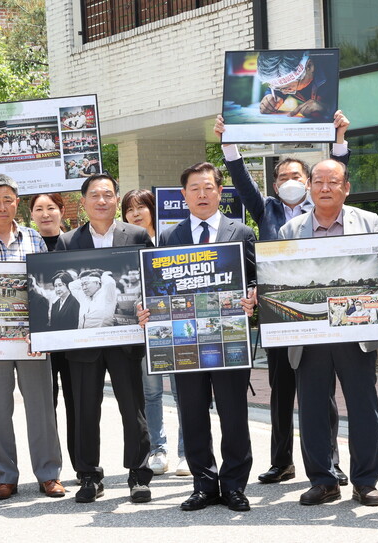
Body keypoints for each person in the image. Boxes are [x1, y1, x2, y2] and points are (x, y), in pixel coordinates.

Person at [216, 111, 352, 486]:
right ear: (274, 185)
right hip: (278, 312)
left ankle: (330, 460)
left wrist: (339, 137)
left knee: (322, 391)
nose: (290, 181)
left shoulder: (324, 208)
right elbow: (241, 180)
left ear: (310, 183)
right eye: (283, 177)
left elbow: (336, 172)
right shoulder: (267, 210)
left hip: (320, 312)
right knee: (281, 391)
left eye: (297, 176)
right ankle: (282, 461)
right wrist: (229, 141)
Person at [278, 159, 378, 507]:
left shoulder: (368, 222)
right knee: (311, 409)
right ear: (309, 187)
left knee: (363, 407)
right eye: (319, 181)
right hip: (310, 335)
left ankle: (365, 481)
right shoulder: (290, 230)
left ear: (346, 187)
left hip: (356, 329)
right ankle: (323, 480)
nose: (325, 188)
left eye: (333, 181)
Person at [156, 162, 257, 512]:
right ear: (183, 195)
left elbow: (255, 279)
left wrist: (252, 297)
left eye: (208, 187)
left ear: (220, 192)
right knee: (193, 414)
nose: (202, 194)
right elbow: (159, 287)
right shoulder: (169, 237)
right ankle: (204, 484)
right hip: (184, 342)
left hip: (228, 341)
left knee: (234, 415)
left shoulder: (241, 232)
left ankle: (233, 485)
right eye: (194, 188)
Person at [0, 173, 64, 501]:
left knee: (41, 407)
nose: (2, 206)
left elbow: (46, 288)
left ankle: (49, 474)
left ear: (16, 202)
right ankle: (5, 476)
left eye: (8, 199)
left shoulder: (35, 239)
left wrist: (44, 331)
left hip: (32, 340)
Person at [55, 173, 153, 504]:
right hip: (83, 344)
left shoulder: (137, 235)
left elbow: (151, 282)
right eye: (94, 195)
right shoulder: (68, 241)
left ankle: (139, 474)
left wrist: (147, 309)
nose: (102, 201)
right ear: (83, 203)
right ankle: (89, 476)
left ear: (116, 200)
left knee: (133, 408)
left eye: (108, 195)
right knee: (84, 410)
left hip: (125, 339)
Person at [121, 188, 187, 477]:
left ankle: (188, 452)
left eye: (141, 207)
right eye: (129, 208)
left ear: (152, 209)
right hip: (144, 329)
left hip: (175, 326)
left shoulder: (170, 239)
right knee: (151, 393)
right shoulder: (122, 245)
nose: (135, 213)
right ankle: (158, 449)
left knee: (184, 392)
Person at [31, 193, 78, 475]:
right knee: (45, 407)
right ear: (32, 214)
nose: (45, 214)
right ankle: (50, 470)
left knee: (76, 404)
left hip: (73, 342)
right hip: (41, 341)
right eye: (39, 209)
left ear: (61, 211)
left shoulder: (74, 243)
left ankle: (79, 465)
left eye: (51, 208)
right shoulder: (27, 245)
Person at [256, 50, 336, 121]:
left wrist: (328, 108)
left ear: (309, 66)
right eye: (277, 87)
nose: (284, 93)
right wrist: (272, 95)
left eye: (288, 89)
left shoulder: (334, 71)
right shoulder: (286, 79)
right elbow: (280, 85)